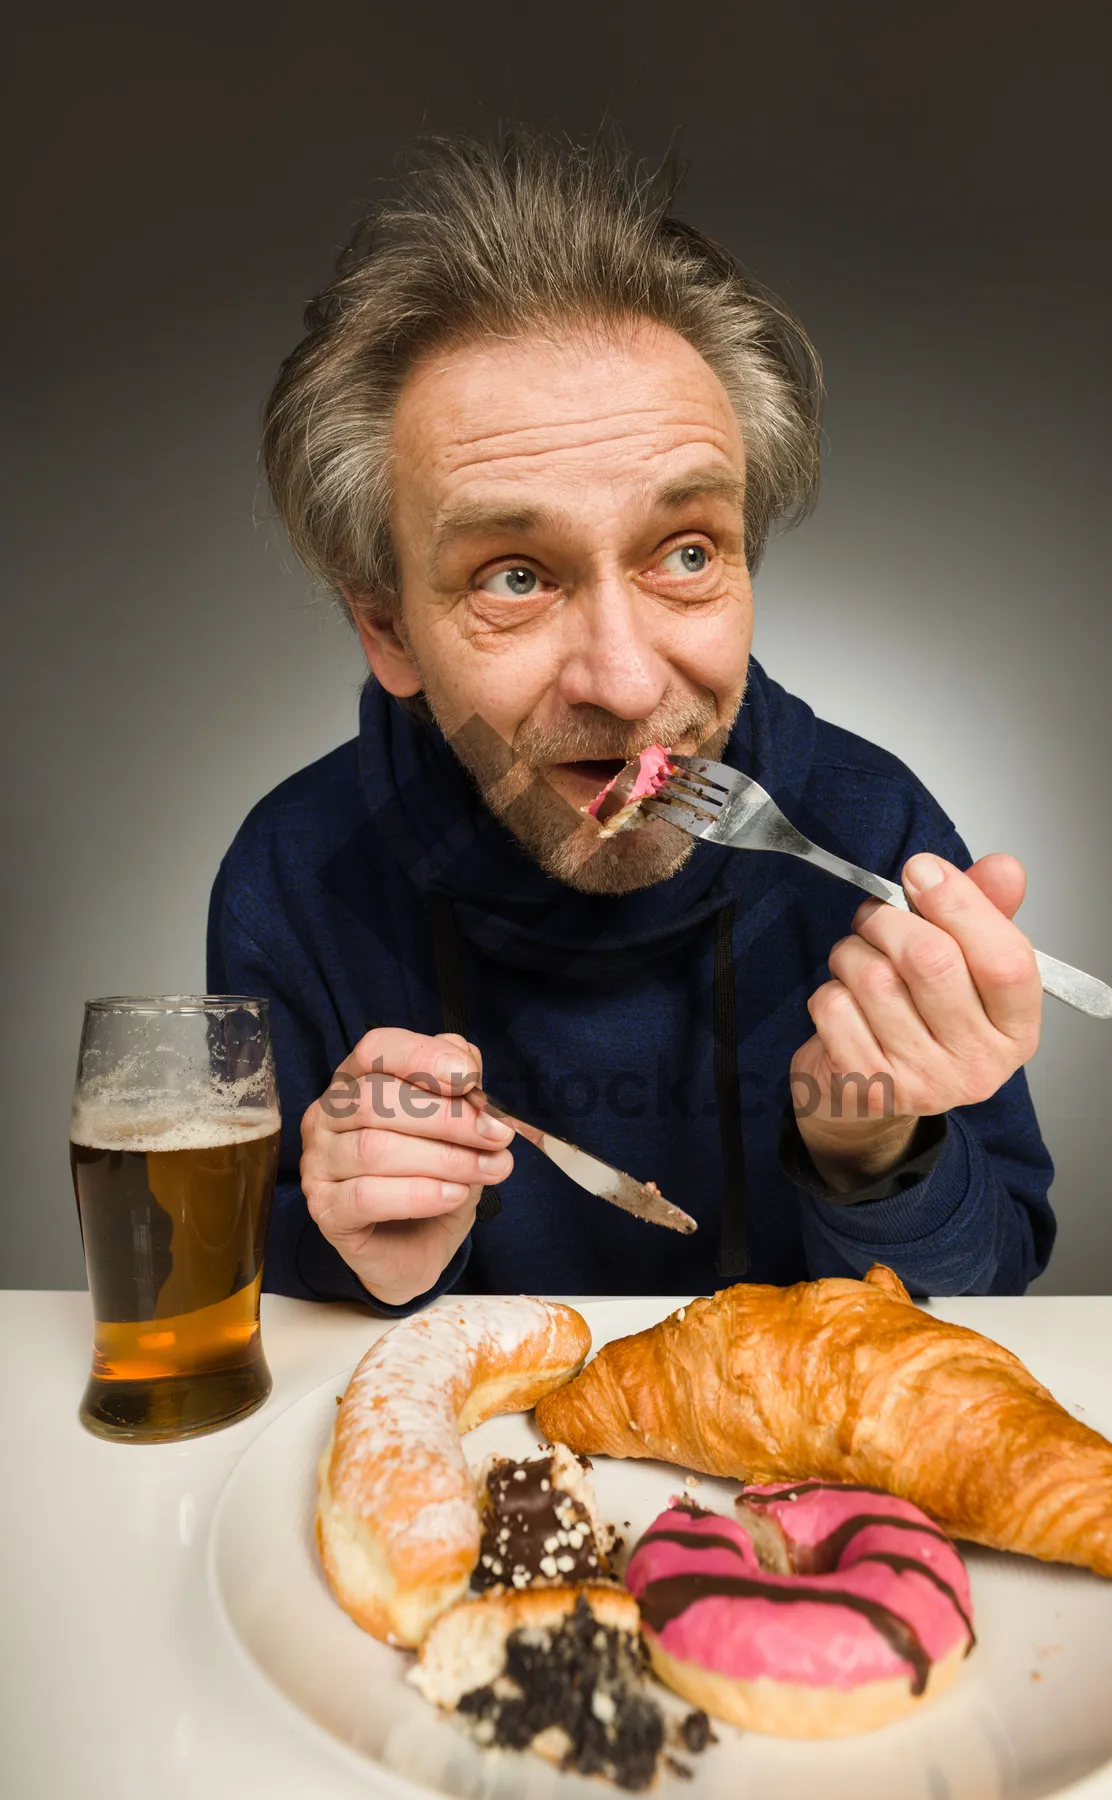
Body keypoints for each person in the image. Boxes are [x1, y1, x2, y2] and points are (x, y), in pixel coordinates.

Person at [207, 130, 1054, 1315]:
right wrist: (346, 1240)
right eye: (514, 574)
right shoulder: (298, 873)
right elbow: (243, 1288)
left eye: (687, 553)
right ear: (389, 627)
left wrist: (874, 1147)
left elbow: (992, 1288)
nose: (621, 679)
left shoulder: (868, 832)